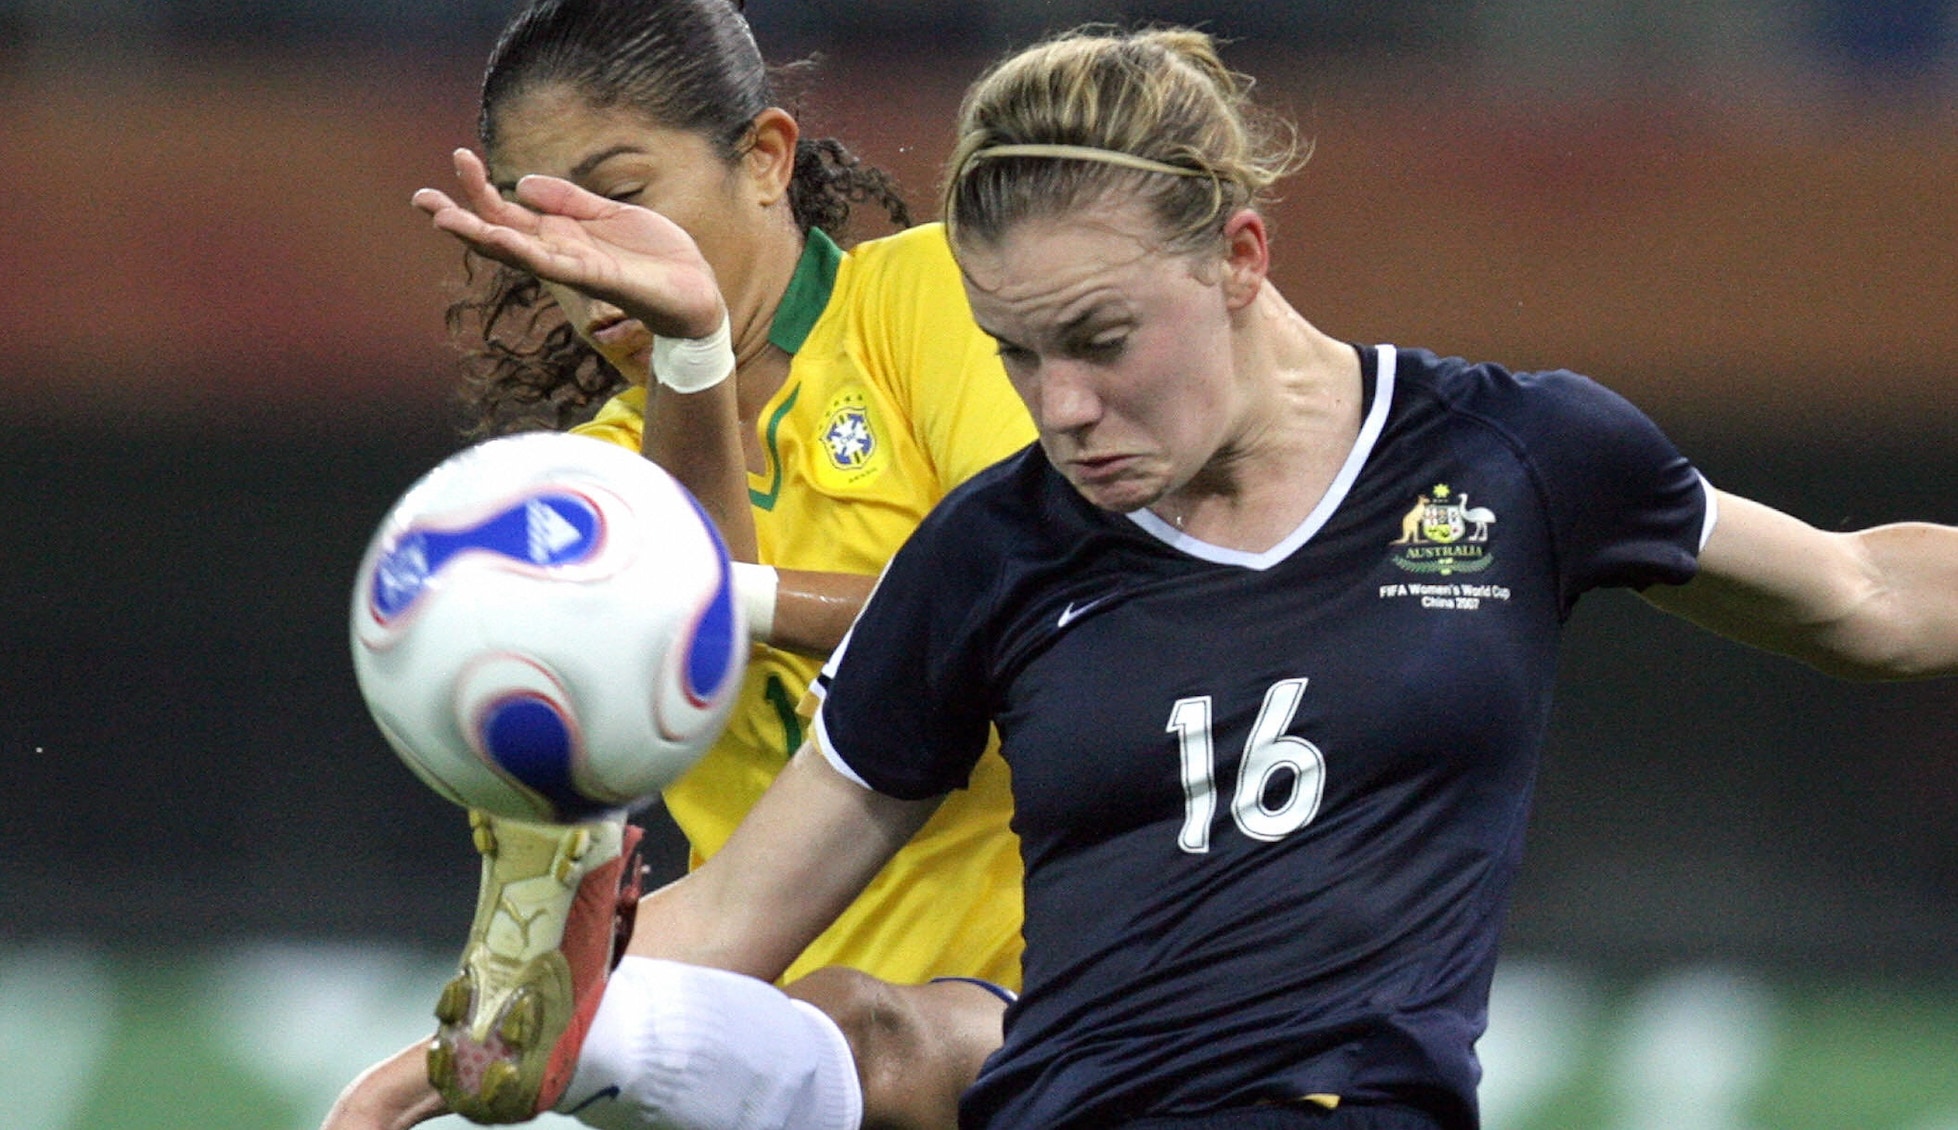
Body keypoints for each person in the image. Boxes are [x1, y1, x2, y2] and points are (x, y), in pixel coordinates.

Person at [395, 22, 1958, 1130]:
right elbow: (737, 914)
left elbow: (1868, 597)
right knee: (840, 1026)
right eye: (1014, 355)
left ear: (1241, 256)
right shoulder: (993, 552)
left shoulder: (1509, 454)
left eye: (1098, 341)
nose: (1058, 405)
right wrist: (479, 1044)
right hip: (1056, 1094)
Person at [322, 1, 1033, 1128]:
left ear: (764, 160)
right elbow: (735, 867)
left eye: (624, 192)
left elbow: (1032, 608)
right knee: (803, 1025)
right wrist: (412, 1072)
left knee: (862, 1029)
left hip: (1044, 993)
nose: (589, 252)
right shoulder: (588, 488)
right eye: (545, 214)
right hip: (774, 1029)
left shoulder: (934, 298)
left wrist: (721, 595)